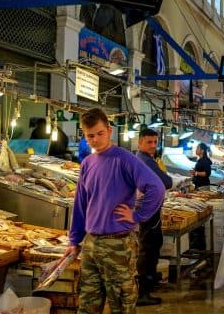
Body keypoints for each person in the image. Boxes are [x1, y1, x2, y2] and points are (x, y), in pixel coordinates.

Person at [64, 108, 166, 314]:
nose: (95, 139)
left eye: (100, 133)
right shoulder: (87, 164)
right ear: (84, 135)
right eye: (90, 135)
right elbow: (80, 204)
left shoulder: (124, 159)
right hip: (91, 243)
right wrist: (74, 241)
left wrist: (137, 215)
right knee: (87, 303)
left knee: (122, 303)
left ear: (109, 131)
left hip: (117, 243)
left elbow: (157, 187)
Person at [136, 129, 173, 306]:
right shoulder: (146, 162)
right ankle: (144, 292)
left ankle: (147, 284)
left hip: (146, 212)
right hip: (148, 214)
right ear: (139, 142)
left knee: (149, 248)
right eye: (149, 142)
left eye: (155, 142)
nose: (153, 145)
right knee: (148, 250)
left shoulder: (144, 159)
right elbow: (167, 182)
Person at [189, 143, 212, 250]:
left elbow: (207, 173)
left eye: (197, 148)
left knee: (201, 206)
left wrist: (196, 173)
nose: (196, 150)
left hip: (203, 187)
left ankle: (200, 231)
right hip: (199, 186)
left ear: (202, 150)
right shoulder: (200, 160)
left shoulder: (205, 161)